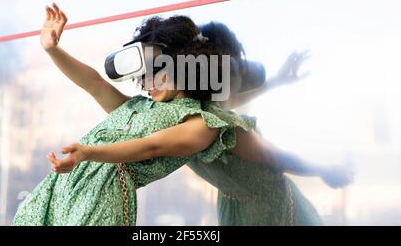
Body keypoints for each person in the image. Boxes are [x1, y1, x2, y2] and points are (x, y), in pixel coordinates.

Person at [12, 4, 254, 226]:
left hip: (100, 199)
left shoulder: (202, 123)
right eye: (143, 76)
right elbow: (94, 83)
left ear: (184, 66)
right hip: (63, 188)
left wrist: (88, 153)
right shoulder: (136, 106)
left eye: (156, 72)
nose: (148, 82)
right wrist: (53, 50)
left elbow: (151, 147)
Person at [130, 21, 353, 225]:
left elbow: (272, 154)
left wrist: (325, 170)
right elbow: (274, 156)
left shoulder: (208, 117)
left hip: (274, 212)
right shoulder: (196, 115)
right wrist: (324, 170)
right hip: (250, 209)